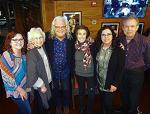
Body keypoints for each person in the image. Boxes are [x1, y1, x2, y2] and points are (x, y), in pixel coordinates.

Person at [118, 15, 150, 114]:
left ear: (137, 27)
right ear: (123, 28)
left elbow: (148, 61)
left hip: (136, 74)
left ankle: (132, 111)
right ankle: (124, 109)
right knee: (123, 93)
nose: (129, 29)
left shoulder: (145, 41)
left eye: (132, 26)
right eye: (126, 26)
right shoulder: (119, 39)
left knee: (134, 96)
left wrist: (138, 69)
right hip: (122, 73)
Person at [45, 16, 74, 114]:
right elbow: (37, 42)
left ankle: (66, 106)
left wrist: (89, 40)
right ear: (54, 27)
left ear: (66, 27)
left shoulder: (71, 38)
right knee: (55, 89)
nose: (60, 29)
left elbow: (83, 39)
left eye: (63, 26)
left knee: (66, 89)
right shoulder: (47, 37)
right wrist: (31, 44)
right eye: (57, 27)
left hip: (66, 70)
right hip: (53, 70)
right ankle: (58, 106)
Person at [95, 26, 125, 114]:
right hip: (99, 81)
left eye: (108, 34)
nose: (106, 37)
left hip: (110, 83)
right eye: (103, 35)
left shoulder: (119, 49)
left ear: (113, 36)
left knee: (108, 103)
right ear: (100, 36)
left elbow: (120, 68)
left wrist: (115, 84)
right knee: (103, 102)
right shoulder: (97, 47)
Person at [0, 31, 31, 114]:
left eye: (21, 39)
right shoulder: (6, 55)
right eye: (15, 40)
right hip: (15, 90)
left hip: (25, 87)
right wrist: (21, 90)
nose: (19, 41)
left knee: (22, 110)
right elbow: (7, 77)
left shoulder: (23, 55)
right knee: (28, 111)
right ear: (10, 42)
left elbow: (22, 72)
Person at [27, 27, 52, 114]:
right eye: (36, 38)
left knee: (47, 105)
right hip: (40, 86)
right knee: (41, 107)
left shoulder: (43, 47)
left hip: (48, 81)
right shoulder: (31, 53)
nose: (38, 40)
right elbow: (31, 75)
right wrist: (41, 85)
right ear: (32, 40)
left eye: (40, 37)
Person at [74, 25, 96, 114]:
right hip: (79, 73)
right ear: (76, 35)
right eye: (79, 34)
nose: (81, 36)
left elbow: (108, 43)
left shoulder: (93, 44)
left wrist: (118, 44)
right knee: (81, 92)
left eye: (84, 34)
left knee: (91, 94)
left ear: (87, 35)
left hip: (90, 74)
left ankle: (89, 110)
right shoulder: (74, 45)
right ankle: (82, 108)